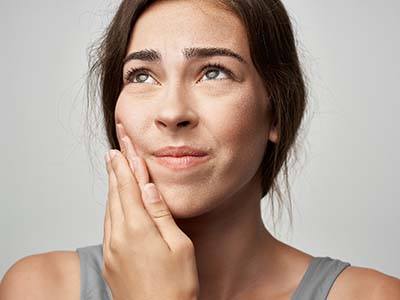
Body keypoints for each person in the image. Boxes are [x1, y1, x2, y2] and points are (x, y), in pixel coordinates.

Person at [1, 0, 399, 299]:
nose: (172, 112)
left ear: (276, 111)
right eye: (142, 75)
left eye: (214, 72)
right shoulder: (40, 288)